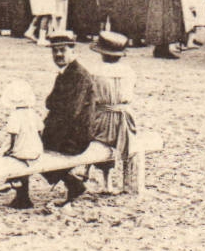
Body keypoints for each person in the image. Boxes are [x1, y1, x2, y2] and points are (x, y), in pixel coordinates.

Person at [40, 30, 136, 203]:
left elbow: (69, 110)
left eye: (62, 50)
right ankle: (83, 181)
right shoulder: (127, 71)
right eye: (55, 51)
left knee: (33, 148)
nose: (58, 54)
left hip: (92, 125)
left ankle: (74, 182)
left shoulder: (88, 73)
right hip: (123, 119)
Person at [0, 78, 43, 209]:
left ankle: (11, 181)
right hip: (35, 149)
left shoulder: (15, 115)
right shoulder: (33, 113)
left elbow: (13, 134)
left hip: (22, 150)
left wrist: (10, 149)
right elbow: (40, 130)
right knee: (24, 166)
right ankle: (22, 195)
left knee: (5, 157)